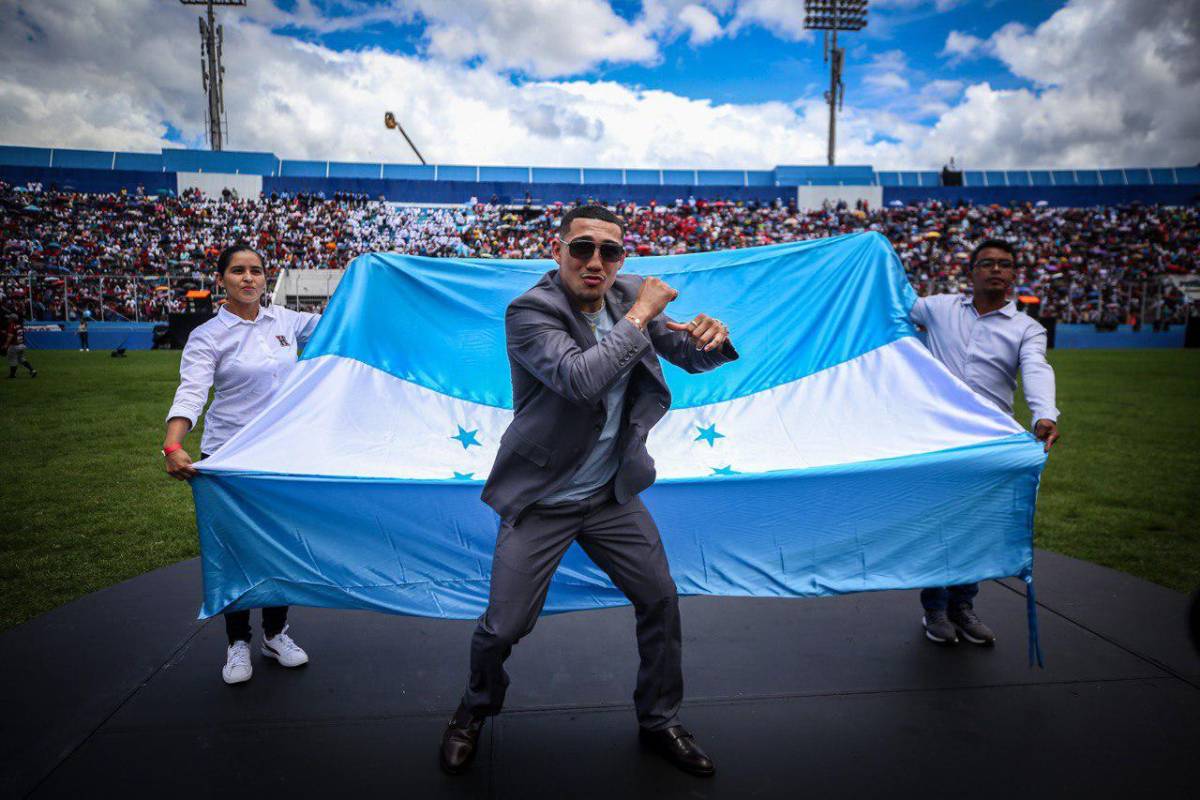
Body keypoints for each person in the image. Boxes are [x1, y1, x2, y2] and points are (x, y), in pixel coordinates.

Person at [439, 205, 738, 778]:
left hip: (609, 496)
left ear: (621, 258)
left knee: (660, 599)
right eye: (582, 248)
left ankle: (659, 720)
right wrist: (642, 315)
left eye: (609, 251)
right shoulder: (530, 311)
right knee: (504, 628)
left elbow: (687, 359)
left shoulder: (628, 299)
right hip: (542, 500)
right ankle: (472, 710)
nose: (595, 261)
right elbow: (580, 381)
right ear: (558, 253)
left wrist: (712, 338)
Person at [163, 243, 320, 685]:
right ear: (221, 280)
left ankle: (275, 633)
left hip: (283, 454)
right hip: (228, 456)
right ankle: (237, 643)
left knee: (279, 545)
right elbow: (192, 391)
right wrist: (172, 445)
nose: (248, 278)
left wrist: (375, 281)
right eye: (238, 271)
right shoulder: (208, 335)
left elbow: (343, 325)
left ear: (265, 277)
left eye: (255, 270)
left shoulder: (288, 322)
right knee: (233, 552)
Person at [911, 238, 1060, 646]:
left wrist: (1045, 413)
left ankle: (963, 606)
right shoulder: (936, 308)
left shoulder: (1027, 328)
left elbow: (1036, 368)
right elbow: (888, 304)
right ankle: (935, 611)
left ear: (1014, 275)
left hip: (990, 439)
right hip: (937, 438)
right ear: (971, 271)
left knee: (977, 528)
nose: (996, 269)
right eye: (987, 263)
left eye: (1005, 264)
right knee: (940, 525)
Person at [5, 313, 37, 378]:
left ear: (12, 319)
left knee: (12, 359)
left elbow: (10, 336)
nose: (8, 319)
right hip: (21, 345)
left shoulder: (12, 325)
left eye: (9, 318)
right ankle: (32, 370)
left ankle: (12, 375)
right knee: (21, 359)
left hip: (14, 345)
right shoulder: (19, 325)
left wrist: (6, 345)